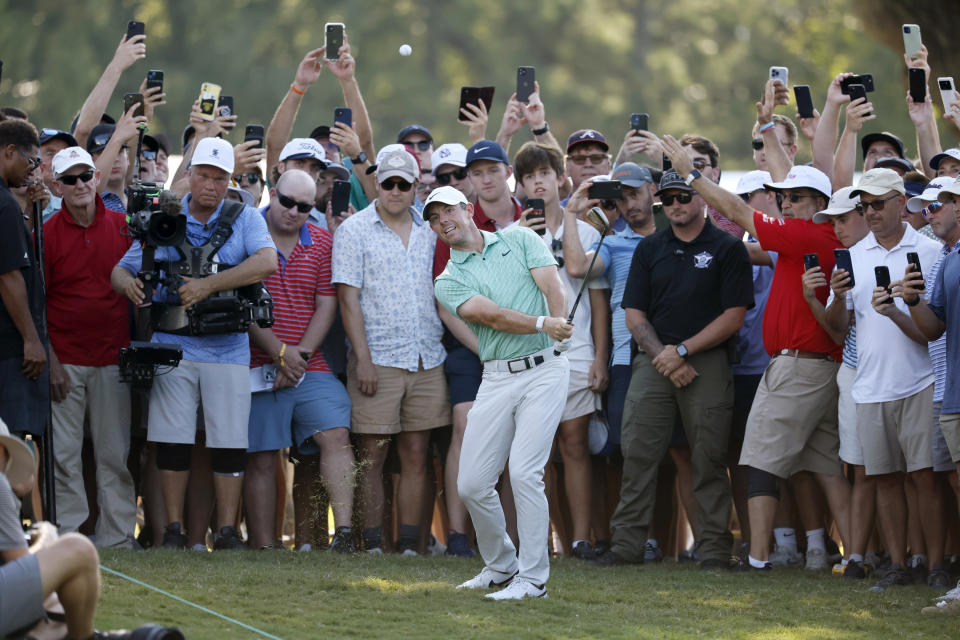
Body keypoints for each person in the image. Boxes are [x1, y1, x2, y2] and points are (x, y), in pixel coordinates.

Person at [111, 137, 278, 550]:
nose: (210, 184)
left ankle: (225, 531)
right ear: (189, 176)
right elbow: (121, 269)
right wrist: (129, 286)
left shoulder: (245, 216)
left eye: (219, 177)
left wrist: (207, 285)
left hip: (229, 346)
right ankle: (171, 529)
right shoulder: (164, 219)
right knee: (172, 441)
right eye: (203, 175)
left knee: (229, 443)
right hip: (174, 343)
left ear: (229, 181)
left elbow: (267, 261)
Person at [591, 164, 753, 570]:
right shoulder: (651, 248)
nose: (676, 205)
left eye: (684, 196)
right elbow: (633, 314)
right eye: (669, 198)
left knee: (709, 457)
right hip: (653, 360)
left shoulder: (727, 248)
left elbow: (734, 316)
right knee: (637, 453)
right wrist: (667, 355)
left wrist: (682, 351)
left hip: (708, 361)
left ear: (702, 199)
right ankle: (626, 545)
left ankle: (715, 550)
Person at [428, 185, 572, 599]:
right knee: (471, 483)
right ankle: (501, 563)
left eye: (447, 211)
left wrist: (558, 328)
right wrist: (546, 324)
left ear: (468, 209)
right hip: (495, 376)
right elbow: (489, 316)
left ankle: (533, 579)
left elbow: (554, 288)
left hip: (545, 370)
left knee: (526, 472)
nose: (443, 222)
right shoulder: (448, 280)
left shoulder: (521, 237)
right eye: (435, 219)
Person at [824, 168, 943, 592]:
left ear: (899, 202)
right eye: (864, 206)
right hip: (870, 385)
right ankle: (896, 564)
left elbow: (937, 326)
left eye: (877, 204)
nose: (870, 212)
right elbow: (837, 329)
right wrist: (837, 297)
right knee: (886, 480)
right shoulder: (853, 256)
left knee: (925, 478)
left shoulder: (930, 252)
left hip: (921, 380)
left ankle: (933, 565)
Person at [331, 147, 449, 555]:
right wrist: (361, 358)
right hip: (376, 358)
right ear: (376, 184)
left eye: (404, 183)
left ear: (418, 186)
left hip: (427, 356)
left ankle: (413, 545)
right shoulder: (354, 230)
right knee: (372, 455)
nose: (396, 191)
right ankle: (373, 542)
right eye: (388, 183)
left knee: (418, 454)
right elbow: (348, 300)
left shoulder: (433, 228)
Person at [244, 169, 355, 552]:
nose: (293, 211)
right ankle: (263, 546)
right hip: (255, 363)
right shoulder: (246, 230)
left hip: (310, 362)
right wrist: (279, 353)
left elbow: (327, 304)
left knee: (337, 434)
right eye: (287, 201)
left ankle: (342, 535)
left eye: (304, 207)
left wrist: (298, 359)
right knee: (260, 454)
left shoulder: (323, 241)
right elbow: (243, 306)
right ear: (272, 194)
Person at [519, 141, 609, 559]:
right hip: (531, 353)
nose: (538, 182)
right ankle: (553, 539)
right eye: (528, 176)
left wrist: (599, 357)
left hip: (577, 349)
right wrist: (522, 242)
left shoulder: (588, 231)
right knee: (541, 451)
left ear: (561, 179)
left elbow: (597, 300)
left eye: (544, 174)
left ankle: (581, 537)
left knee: (575, 445)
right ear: (519, 185)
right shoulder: (513, 237)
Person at [44, 147, 137, 548]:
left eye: (86, 176)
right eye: (70, 179)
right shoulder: (45, 233)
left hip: (113, 357)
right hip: (65, 359)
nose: (80, 184)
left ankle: (116, 537)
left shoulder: (124, 226)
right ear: (57, 186)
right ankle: (69, 537)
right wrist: (51, 363)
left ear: (97, 179)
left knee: (114, 455)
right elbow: (36, 304)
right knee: (64, 456)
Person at [803, 186, 872, 577]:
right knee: (860, 470)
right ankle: (860, 556)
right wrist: (818, 299)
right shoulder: (842, 264)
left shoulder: (919, 250)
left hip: (902, 377)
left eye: (843, 219)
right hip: (853, 372)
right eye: (833, 222)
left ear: (864, 214)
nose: (837, 228)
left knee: (913, 475)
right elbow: (836, 332)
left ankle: (914, 560)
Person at [0, 120, 48, 440]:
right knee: (11, 447)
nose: (32, 171)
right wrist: (31, 339)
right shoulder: (4, 204)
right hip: (9, 349)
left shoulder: (10, 204)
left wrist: (28, 211)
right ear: (9, 151)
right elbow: (9, 276)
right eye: (31, 162)